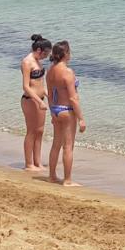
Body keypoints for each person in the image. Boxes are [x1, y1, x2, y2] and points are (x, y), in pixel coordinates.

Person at [46, 40, 85, 186]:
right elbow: (73, 98)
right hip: (67, 111)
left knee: (56, 144)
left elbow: (50, 95)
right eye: (69, 51)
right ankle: (67, 180)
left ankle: (52, 176)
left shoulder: (50, 71)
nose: (70, 54)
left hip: (56, 109)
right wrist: (81, 118)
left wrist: (52, 112)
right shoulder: (68, 72)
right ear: (65, 54)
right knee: (68, 146)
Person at [20, 34, 53, 171]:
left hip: (40, 100)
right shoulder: (27, 62)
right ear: (39, 50)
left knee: (39, 131)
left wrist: (48, 95)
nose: (47, 56)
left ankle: (37, 162)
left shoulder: (38, 61)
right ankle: (29, 164)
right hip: (30, 100)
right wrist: (38, 101)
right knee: (31, 131)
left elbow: (40, 83)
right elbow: (26, 86)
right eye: (46, 53)